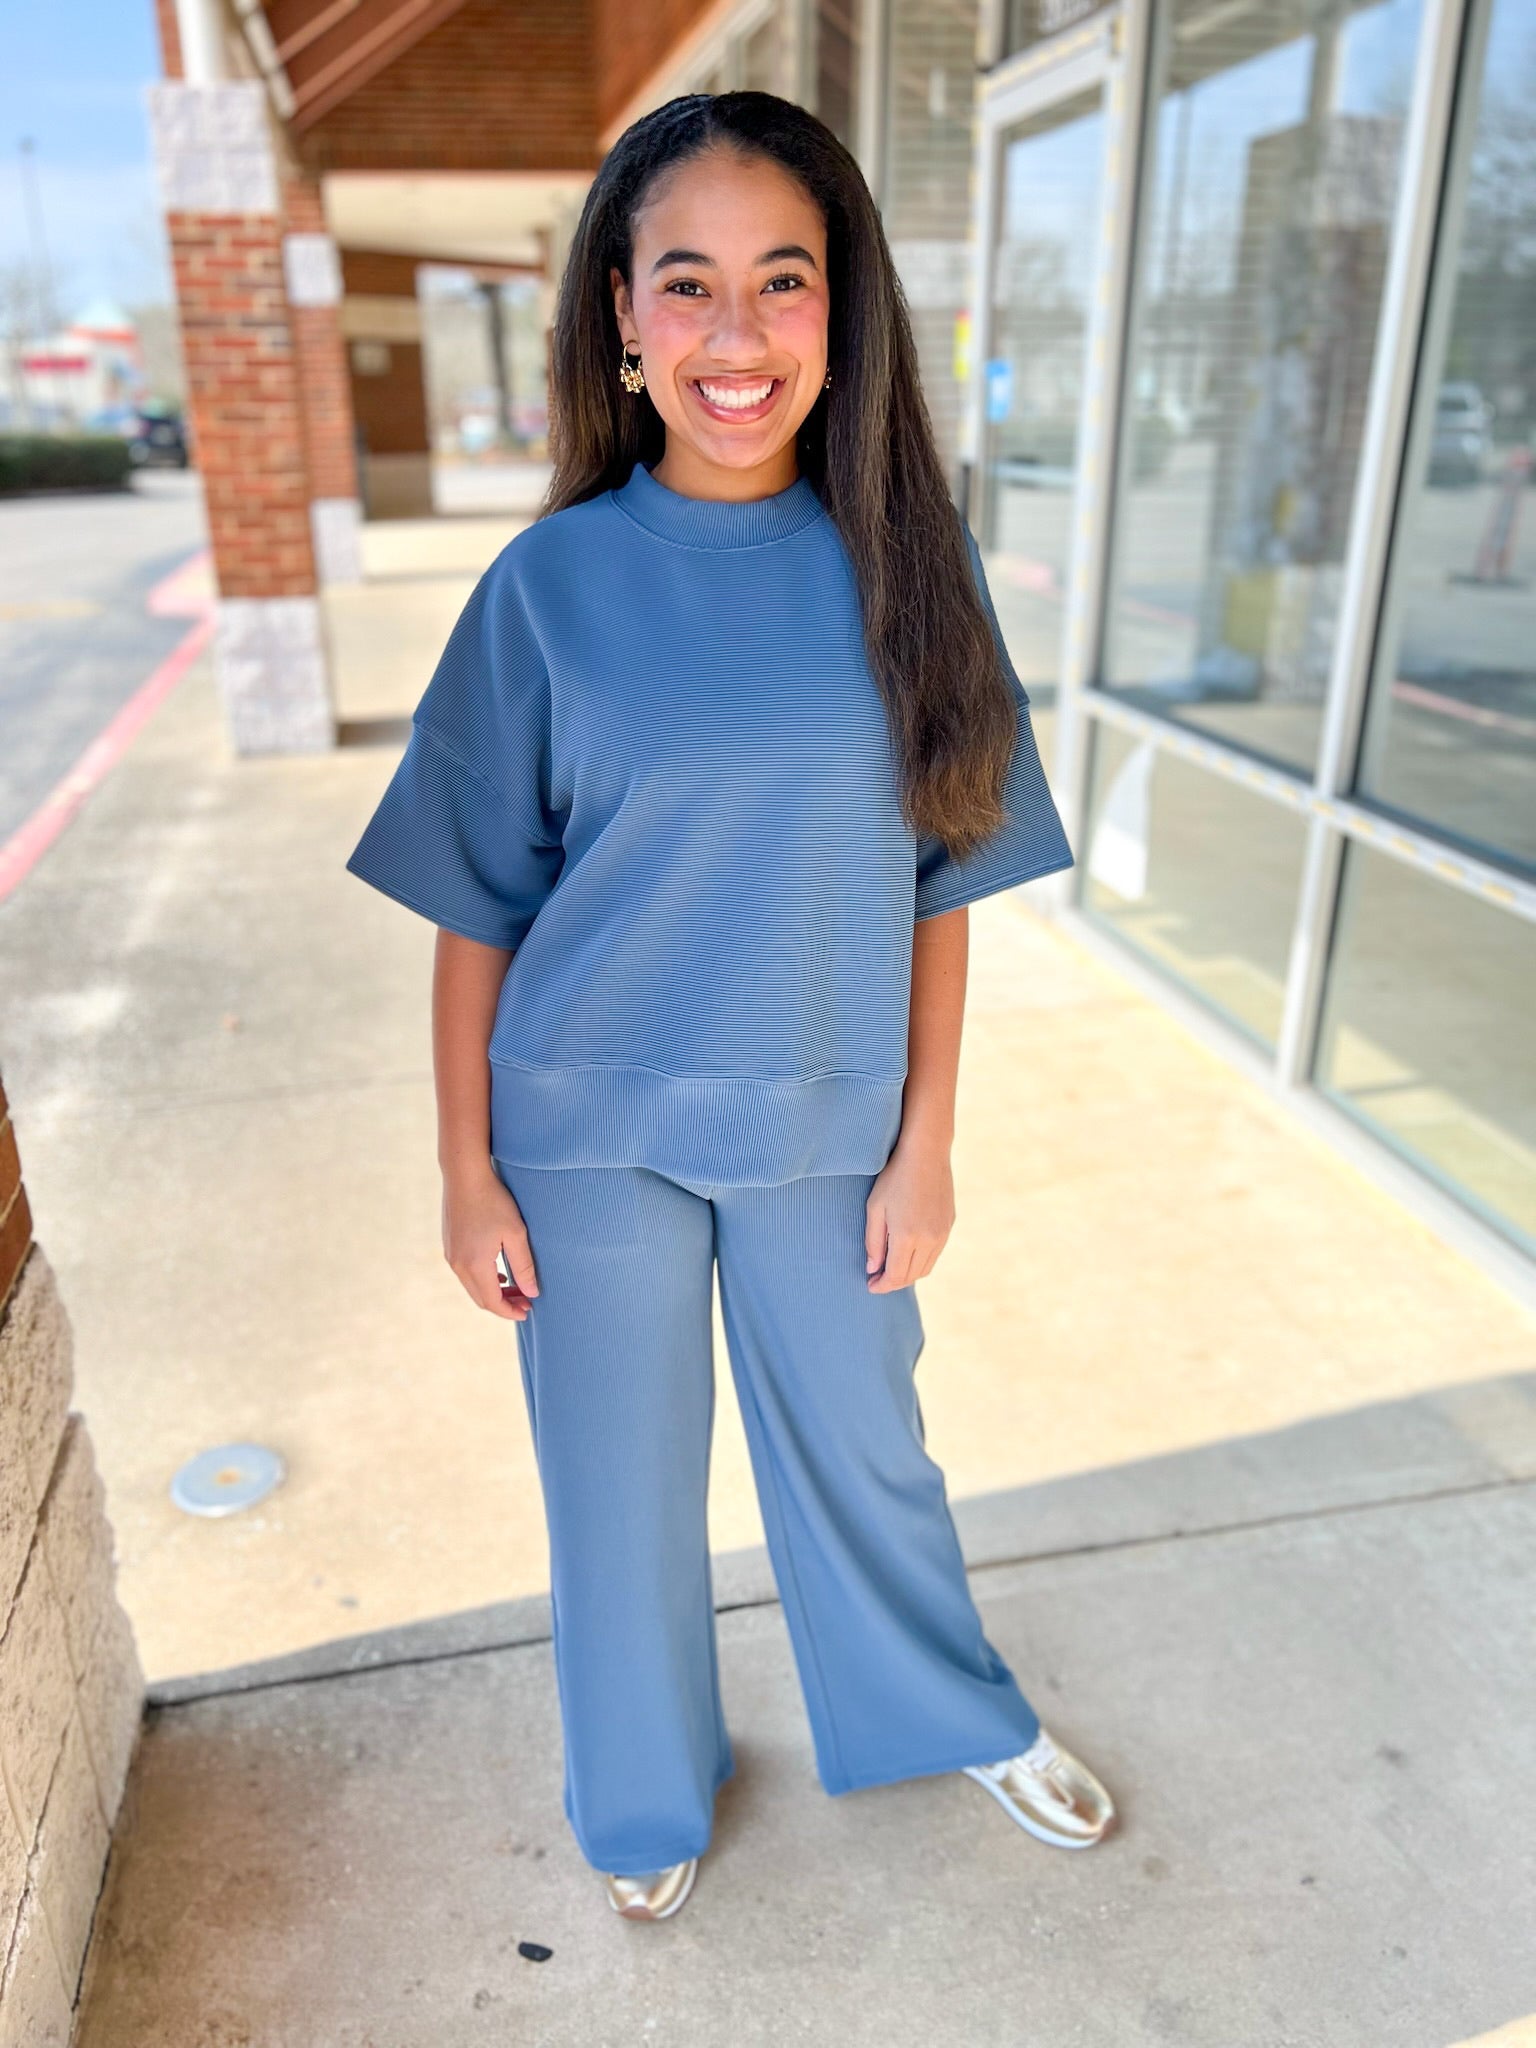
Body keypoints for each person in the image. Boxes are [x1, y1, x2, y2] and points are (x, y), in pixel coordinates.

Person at [345, 89, 1116, 1925]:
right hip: (581, 1127)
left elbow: (946, 884)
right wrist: (464, 1170)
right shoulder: (547, 587)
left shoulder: (915, 568)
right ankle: (643, 1791)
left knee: (868, 1449)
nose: (737, 333)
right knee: (613, 1489)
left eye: (783, 279)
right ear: (621, 314)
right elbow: (475, 907)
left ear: (841, 314)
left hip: (825, 1119)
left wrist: (927, 1144)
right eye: (687, 283)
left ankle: (952, 1707)